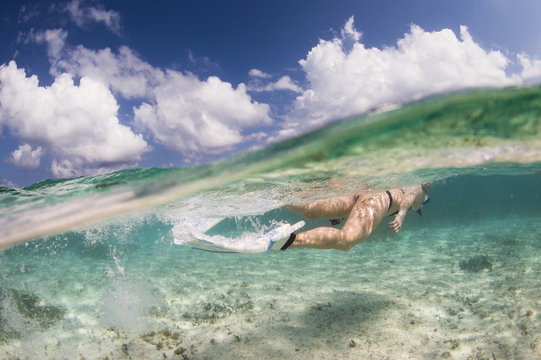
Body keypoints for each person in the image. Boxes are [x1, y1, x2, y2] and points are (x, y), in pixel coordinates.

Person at [278, 183, 431, 251]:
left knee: (309, 211)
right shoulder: (421, 192)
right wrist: (401, 216)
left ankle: (279, 199)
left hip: (360, 194)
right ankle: (283, 242)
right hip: (379, 197)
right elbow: (410, 197)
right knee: (346, 240)